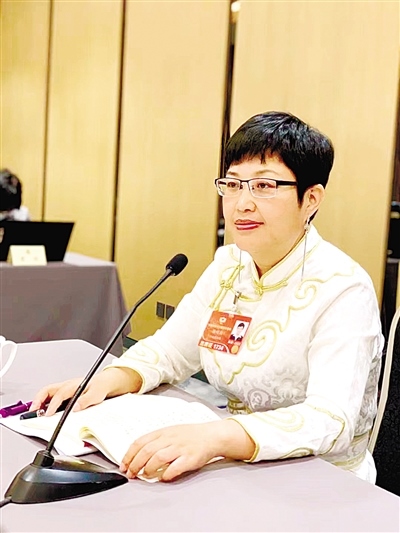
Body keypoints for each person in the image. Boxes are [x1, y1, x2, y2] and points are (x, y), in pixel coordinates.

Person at [31, 111, 383, 483]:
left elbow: (330, 420)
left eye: (263, 186)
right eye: (233, 184)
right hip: (236, 466)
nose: (242, 203)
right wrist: (109, 379)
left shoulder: (343, 288)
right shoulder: (229, 265)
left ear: (310, 198)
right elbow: (171, 350)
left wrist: (219, 437)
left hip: (321, 482)